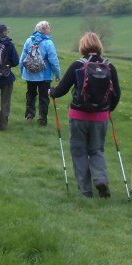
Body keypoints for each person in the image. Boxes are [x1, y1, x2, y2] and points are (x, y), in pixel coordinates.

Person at [49, 32, 121, 198]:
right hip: (101, 117)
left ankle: (85, 190)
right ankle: (101, 180)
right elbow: (116, 93)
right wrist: (108, 110)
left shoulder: (78, 65)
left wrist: (50, 91)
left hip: (78, 115)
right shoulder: (109, 66)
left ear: (83, 46)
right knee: (96, 150)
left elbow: (60, 90)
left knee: (79, 151)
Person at [19, 20, 62, 126]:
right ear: (44, 30)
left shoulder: (29, 40)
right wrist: (58, 74)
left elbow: (22, 58)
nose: (50, 29)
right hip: (44, 75)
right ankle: (42, 119)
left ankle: (29, 114)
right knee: (44, 97)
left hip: (30, 74)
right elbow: (53, 60)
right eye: (48, 28)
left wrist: (22, 71)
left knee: (30, 94)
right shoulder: (48, 43)